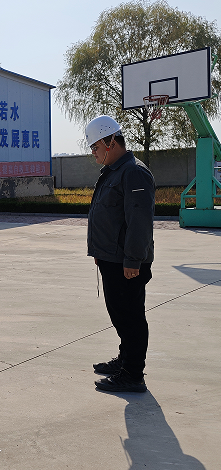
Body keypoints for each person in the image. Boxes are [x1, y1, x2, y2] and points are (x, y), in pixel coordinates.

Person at [86, 115, 155, 393]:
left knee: (130, 317)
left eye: (95, 147)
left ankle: (133, 374)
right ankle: (125, 360)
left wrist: (133, 260)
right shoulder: (114, 171)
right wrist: (100, 252)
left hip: (127, 263)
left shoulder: (133, 172)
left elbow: (139, 221)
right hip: (112, 258)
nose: (93, 153)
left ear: (110, 142)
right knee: (119, 314)